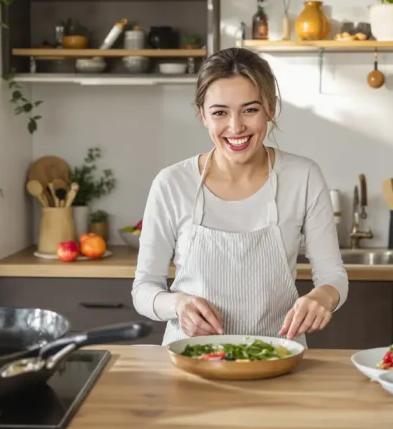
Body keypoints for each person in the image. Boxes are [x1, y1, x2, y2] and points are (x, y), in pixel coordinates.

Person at [131, 47, 348, 347]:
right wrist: (177, 305)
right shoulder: (171, 184)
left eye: (250, 109)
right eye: (220, 112)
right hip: (192, 359)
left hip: (277, 357)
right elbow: (144, 288)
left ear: (270, 109)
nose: (236, 127)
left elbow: (333, 275)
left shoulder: (303, 177)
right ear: (203, 115)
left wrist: (322, 297)